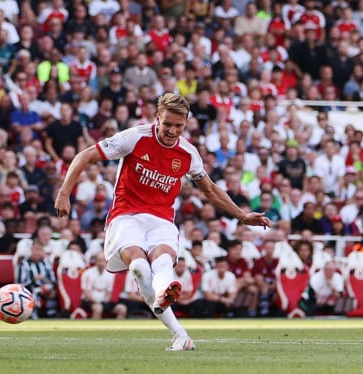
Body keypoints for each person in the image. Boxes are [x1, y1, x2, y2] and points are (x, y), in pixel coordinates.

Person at [54, 93, 270, 351]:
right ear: (158, 118)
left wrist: (242, 215)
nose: (172, 130)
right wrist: (65, 192)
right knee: (140, 269)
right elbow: (85, 155)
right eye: (167, 124)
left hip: (161, 219)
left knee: (163, 260)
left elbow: (210, 190)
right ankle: (171, 311)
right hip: (126, 215)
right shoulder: (135, 137)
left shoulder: (188, 153)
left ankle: (174, 318)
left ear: (186, 123)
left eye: (178, 126)